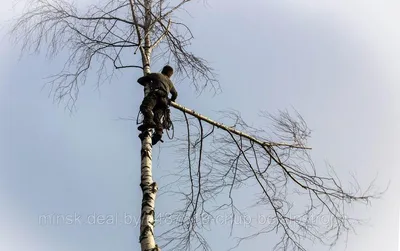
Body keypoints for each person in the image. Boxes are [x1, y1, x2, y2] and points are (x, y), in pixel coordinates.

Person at [137, 65, 178, 145]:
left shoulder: (157, 75)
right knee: (157, 117)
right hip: (164, 101)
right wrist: (171, 100)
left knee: (145, 107)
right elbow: (175, 94)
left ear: (163, 70)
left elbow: (140, 80)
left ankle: (149, 121)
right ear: (170, 74)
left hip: (155, 94)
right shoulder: (170, 82)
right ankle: (159, 132)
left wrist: (147, 83)